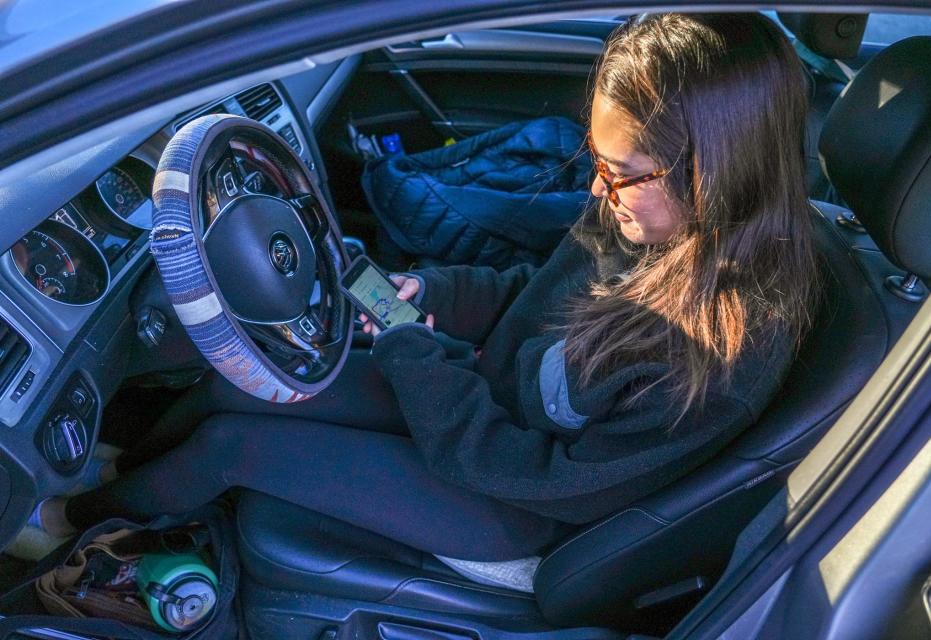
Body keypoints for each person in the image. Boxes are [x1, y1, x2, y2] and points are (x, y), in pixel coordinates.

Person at [29, 12, 817, 562]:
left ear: (713, 170)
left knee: (235, 445)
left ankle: (67, 520)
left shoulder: (720, 355)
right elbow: (525, 291)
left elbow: (542, 482)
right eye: (597, 164)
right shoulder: (643, 217)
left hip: (510, 501)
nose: (600, 191)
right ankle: (119, 471)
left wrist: (411, 349)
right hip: (477, 395)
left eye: (620, 174)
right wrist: (429, 291)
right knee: (244, 385)